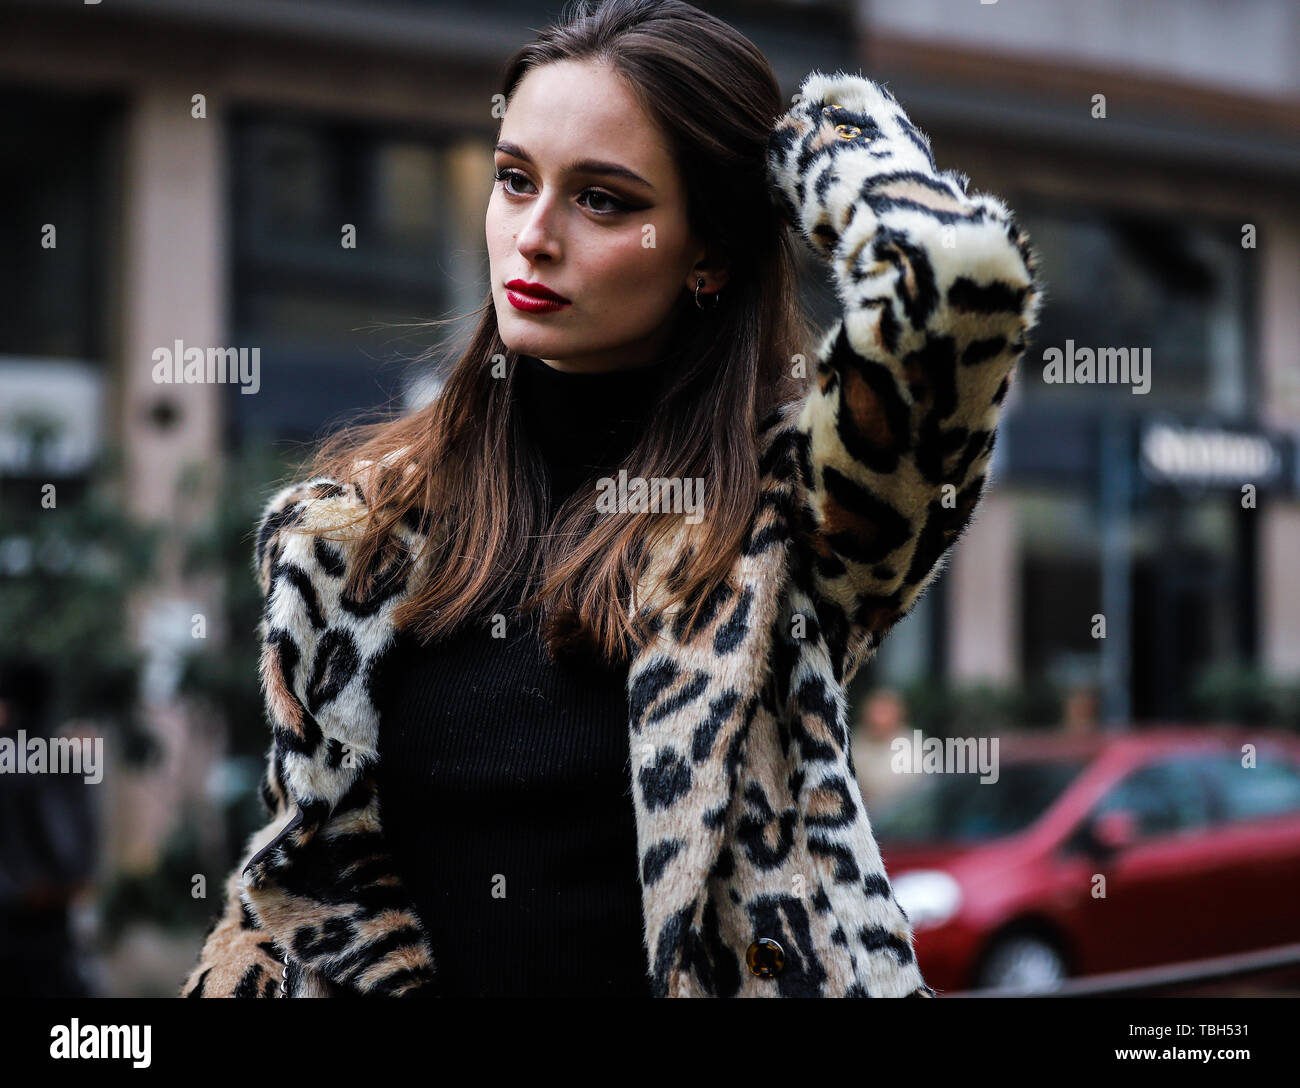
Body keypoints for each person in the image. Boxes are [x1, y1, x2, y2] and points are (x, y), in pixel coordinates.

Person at [181, 0, 1041, 998]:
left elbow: (950, 283)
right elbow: (303, 896)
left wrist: (813, 136)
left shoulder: (786, 519)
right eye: (514, 180)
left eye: (604, 200)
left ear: (708, 253)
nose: (533, 236)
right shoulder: (353, 538)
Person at [852, 688, 917, 814]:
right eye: (875, 712)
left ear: (898, 715)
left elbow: (905, 789)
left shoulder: (913, 746)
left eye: (884, 712)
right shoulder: (855, 741)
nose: (877, 718)